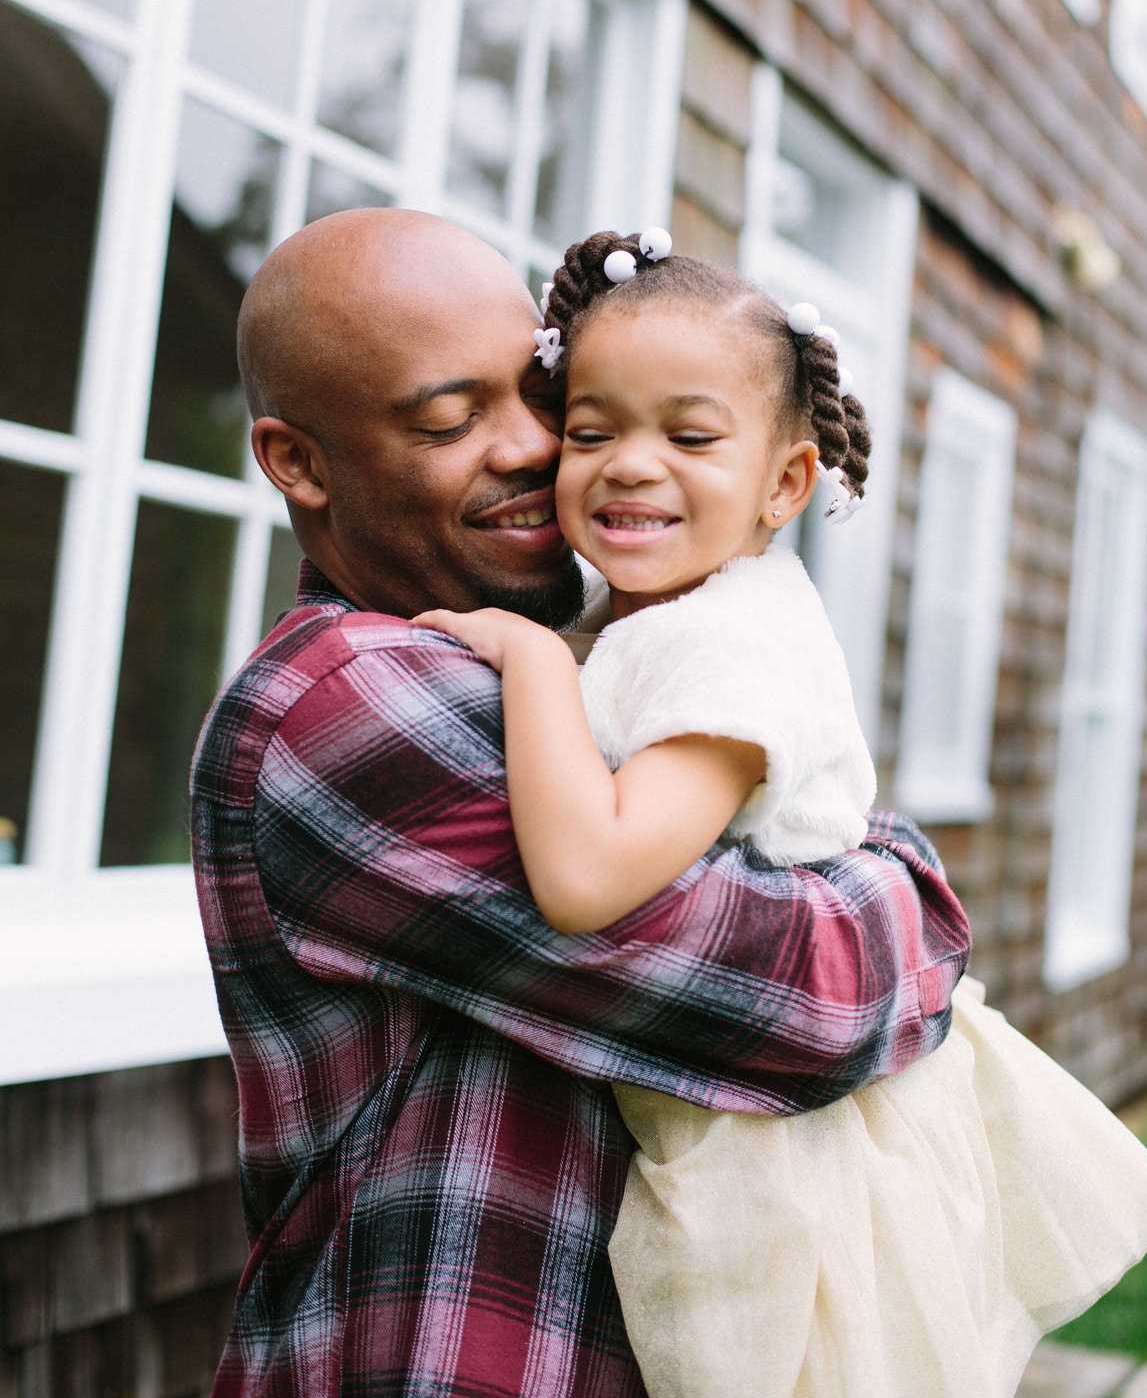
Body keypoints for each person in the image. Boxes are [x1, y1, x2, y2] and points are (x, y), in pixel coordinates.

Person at [192, 207, 972, 1398]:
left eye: (541, 398)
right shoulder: (354, 703)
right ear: (299, 461)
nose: (533, 450)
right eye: (453, 419)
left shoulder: (583, 658)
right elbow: (806, 1002)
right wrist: (904, 876)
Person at [417, 228, 1147, 1398]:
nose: (629, 464)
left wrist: (526, 661)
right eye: (591, 431)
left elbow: (586, 879)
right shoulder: (676, 612)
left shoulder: (723, 645)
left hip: (791, 1165)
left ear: (785, 482)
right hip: (758, 1110)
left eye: (688, 435)